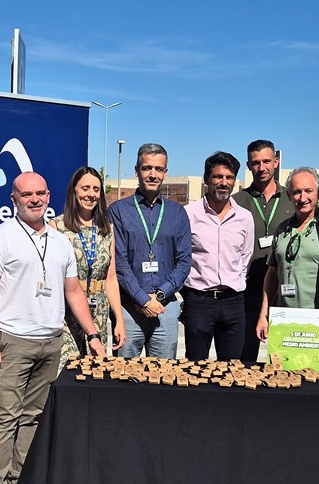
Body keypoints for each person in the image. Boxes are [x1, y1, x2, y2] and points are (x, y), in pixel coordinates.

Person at [0, 172, 106, 484]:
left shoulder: (61, 242)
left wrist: (92, 335)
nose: (35, 199)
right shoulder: (0, 239)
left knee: (33, 416)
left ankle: (20, 483)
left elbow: (74, 293)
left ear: (49, 196)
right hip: (13, 340)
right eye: (26, 194)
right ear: (13, 199)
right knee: (5, 417)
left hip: (52, 340)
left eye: (40, 193)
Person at [108, 143, 191, 358]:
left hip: (166, 306)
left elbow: (184, 262)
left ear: (165, 173)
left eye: (158, 169)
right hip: (128, 309)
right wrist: (143, 299)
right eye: (147, 168)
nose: (152, 174)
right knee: (124, 377)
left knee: (163, 380)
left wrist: (160, 295)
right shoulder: (118, 211)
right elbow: (119, 262)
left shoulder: (177, 213)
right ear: (137, 171)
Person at [181, 152, 254, 360]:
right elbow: (182, 256)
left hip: (233, 303)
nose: (224, 183)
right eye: (218, 177)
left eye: (229, 177)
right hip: (199, 302)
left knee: (232, 370)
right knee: (194, 368)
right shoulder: (189, 214)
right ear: (206, 179)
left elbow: (245, 258)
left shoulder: (244, 218)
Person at [51, 166, 126, 364]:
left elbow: (110, 278)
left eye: (96, 189)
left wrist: (119, 319)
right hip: (67, 312)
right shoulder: (56, 227)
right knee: (67, 370)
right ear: (74, 191)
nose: (91, 194)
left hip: (99, 311)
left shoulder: (106, 229)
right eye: (85, 188)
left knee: (95, 370)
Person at [256, 167, 319, 343]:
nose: (303, 198)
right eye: (297, 192)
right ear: (288, 195)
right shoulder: (282, 229)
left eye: (308, 191)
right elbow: (272, 274)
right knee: (280, 371)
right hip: (283, 322)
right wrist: (264, 315)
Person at [232, 140, 294, 362]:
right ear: (249, 166)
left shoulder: (292, 198)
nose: (262, 167)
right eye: (256, 163)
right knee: (244, 360)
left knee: (284, 362)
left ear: (276, 162)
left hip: (283, 294)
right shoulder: (236, 202)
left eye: (266, 161)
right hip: (246, 294)